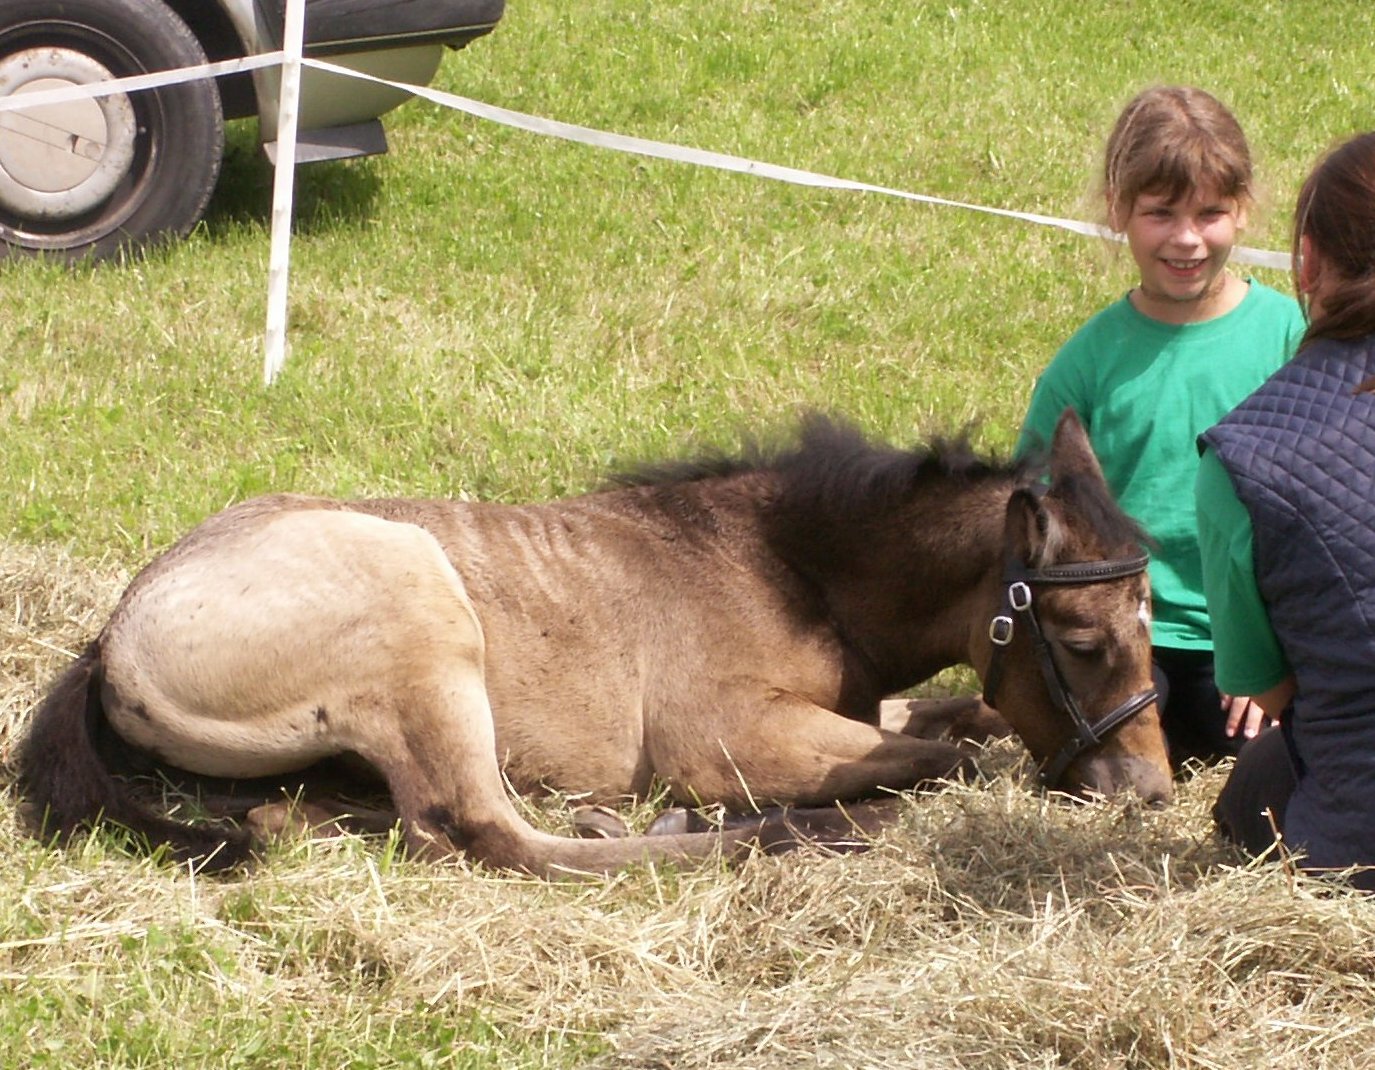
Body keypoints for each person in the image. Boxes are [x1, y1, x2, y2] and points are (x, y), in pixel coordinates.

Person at [1016, 85, 1306, 769]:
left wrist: (1271, 662)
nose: (1185, 238)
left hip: (1249, 635)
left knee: (1271, 757)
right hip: (1127, 641)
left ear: (1242, 210)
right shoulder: (1085, 363)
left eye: (1209, 213)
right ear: (1118, 212)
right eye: (1159, 213)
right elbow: (1029, 515)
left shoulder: (1289, 339)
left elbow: (1317, 518)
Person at [1198, 130, 1375, 890]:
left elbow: (1261, 684)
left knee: (1249, 787)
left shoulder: (1241, 461)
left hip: (1356, 851)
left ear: (1305, 260)